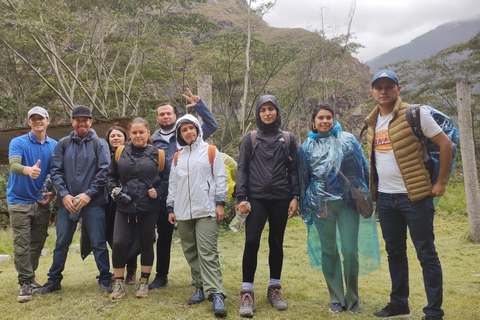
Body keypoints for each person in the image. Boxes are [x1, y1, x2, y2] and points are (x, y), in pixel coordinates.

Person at [366, 70, 453, 320]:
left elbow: (446, 145)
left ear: (398, 89)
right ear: (372, 91)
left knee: (426, 253)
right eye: (378, 87)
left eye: (388, 86)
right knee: (395, 252)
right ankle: (399, 304)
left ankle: (434, 311)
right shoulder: (371, 122)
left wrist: (441, 183)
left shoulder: (415, 114)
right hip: (385, 198)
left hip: (414, 197)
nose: (383, 91)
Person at [297, 104, 380, 313]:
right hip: (321, 207)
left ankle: (353, 299)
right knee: (329, 252)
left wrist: (371, 193)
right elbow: (303, 179)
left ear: (333, 119)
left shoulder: (348, 140)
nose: (325, 121)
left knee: (351, 251)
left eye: (328, 117)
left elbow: (363, 168)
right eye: (320, 118)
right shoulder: (306, 146)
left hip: (347, 204)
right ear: (313, 122)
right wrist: (305, 207)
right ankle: (336, 297)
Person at [36, 105, 113, 294]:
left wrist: (89, 194)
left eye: (85, 119)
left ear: (91, 122)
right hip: (68, 203)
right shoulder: (63, 143)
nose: (82, 123)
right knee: (61, 243)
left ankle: (105, 278)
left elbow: (104, 171)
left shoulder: (99, 143)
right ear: (72, 122)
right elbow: (55, 171)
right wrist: (64, 194)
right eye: (78, 120)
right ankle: (54, 280)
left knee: (98, 243)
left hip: (92, 202)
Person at [235, 94, 299, 317]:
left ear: (278, 112)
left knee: (276, 242)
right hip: (256, 197)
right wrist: (241, 197)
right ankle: (247, 292)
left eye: (271, 109)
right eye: (263, 110)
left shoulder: (288, 138)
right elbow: (242, 168)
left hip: (281, 197)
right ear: (258, 113)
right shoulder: (250, 138)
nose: (267, 113)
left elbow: (293, 170)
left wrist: (295, 196)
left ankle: (274, 288)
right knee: (251, 241)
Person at [149, 88, 218, 290]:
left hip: (194, 194)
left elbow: (212, 125)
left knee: (196, 239)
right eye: (161, 114)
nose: (165, 116)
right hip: (166, 194)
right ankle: (161, 275)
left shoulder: (189, 133)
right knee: (164, 237)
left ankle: (201, 278)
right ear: (157, 118)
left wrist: (199, 106)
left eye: (168, 113)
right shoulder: (152, 140)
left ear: (175, 116)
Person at [166, 114, 228, 317]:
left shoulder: (210, 151)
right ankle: (199, 287)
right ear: (180, 134)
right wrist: (171, 208)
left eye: (191, 128)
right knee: (190, 251)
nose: (188, 132)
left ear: (197, 130)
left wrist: (220, 203)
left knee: (207, 251)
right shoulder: (177, 156)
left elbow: (221, 178)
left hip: (207, 209)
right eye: (183, 130)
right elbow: (173, 184)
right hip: (183, 212)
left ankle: (216, 292)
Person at [106, 118, 168, 299]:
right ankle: (118, 283)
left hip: (148, 207)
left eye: (142, 132)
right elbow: (110, 176)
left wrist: (158, 191)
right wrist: (114, 190)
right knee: (118, 243)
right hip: (124, 206)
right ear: (129, 134)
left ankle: (144, 281)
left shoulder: (158, 154)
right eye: (134, 133)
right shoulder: (120, 152)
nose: (138, 135)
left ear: (148, 133)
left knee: (146, 243)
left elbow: (166, 179)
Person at [7, 106, 57, 302]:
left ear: (47, 120)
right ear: (29, 122)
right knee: (22, 243)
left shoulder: (55, 145)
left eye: (41, 118)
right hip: (19, 201)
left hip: (42, 202)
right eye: (33, 118)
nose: (37, 121)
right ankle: (25, 282)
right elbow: (14, 165)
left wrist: (52, 193)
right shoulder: (18, 142)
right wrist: (27, 170)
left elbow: (56, 173)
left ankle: (31, 276)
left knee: (37, 242)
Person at [104, 126, 140, 285]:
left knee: (131, 236)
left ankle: (131, 270)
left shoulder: (131, 153)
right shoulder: (104, 154)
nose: (115, 138)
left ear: (126, 138)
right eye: (112, 136)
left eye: (119, 135)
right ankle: (119, 268)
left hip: (129, 201)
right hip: (109, 202)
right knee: (113, 236)